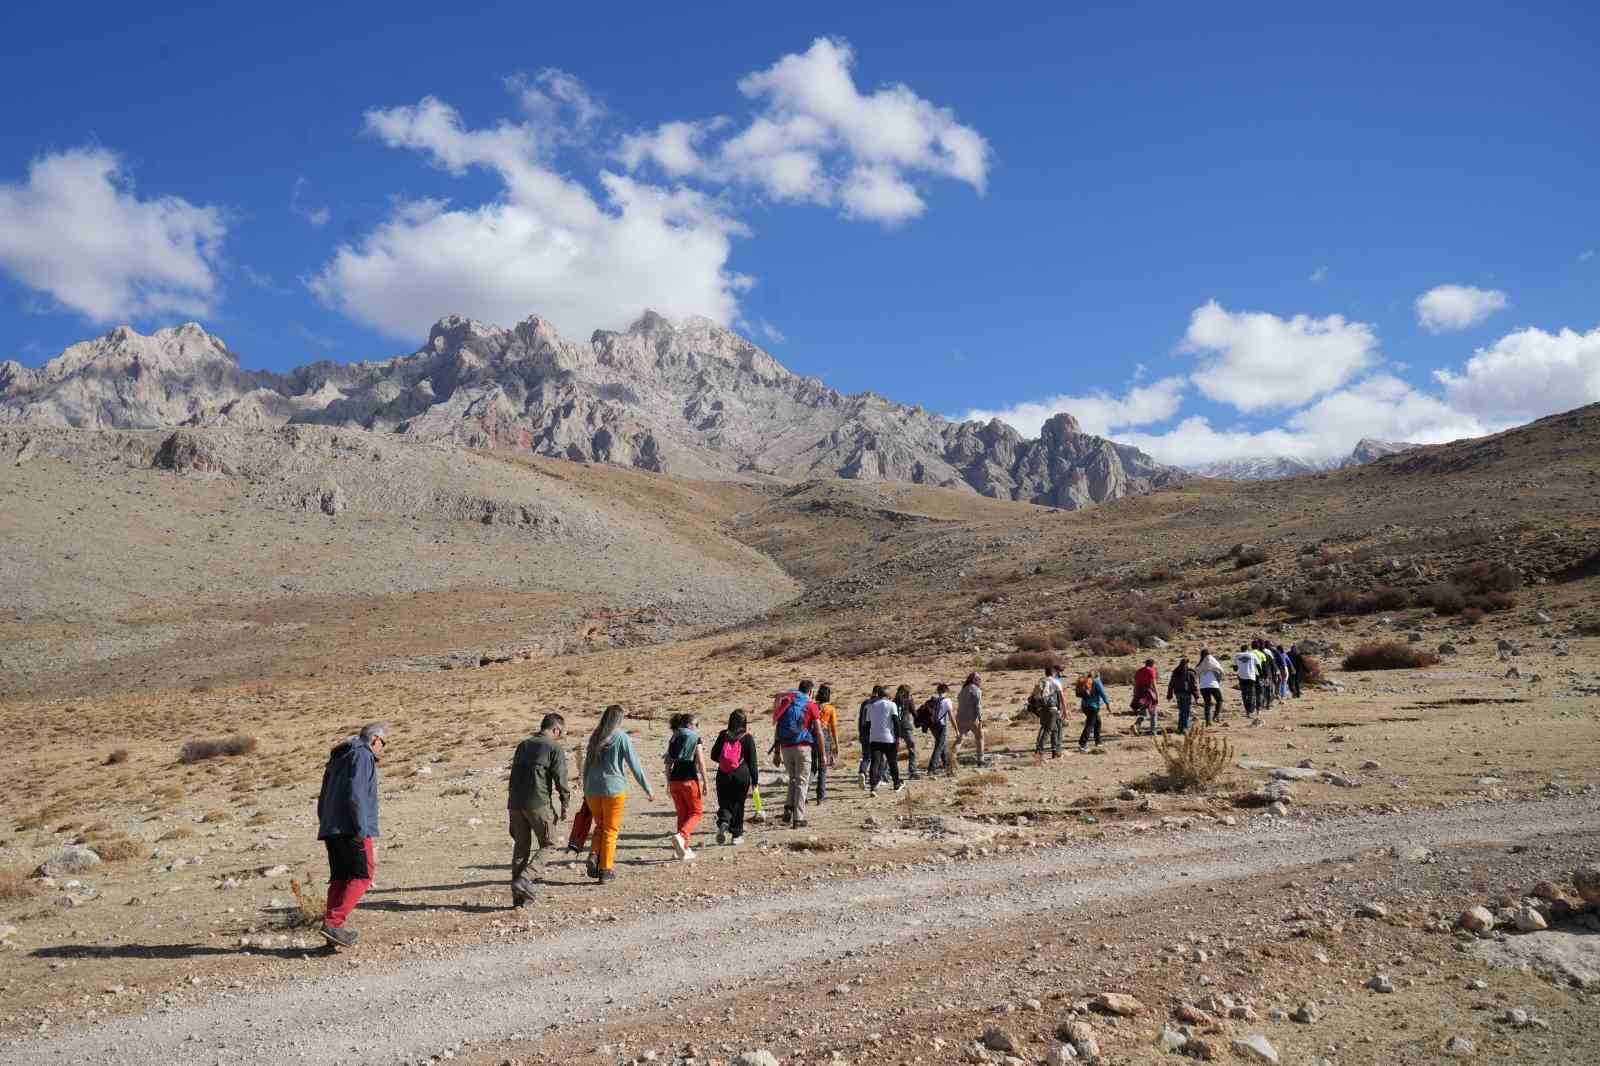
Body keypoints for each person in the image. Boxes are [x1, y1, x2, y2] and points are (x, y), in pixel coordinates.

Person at [316, 721, 390, 948]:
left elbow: (323, 797)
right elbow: (356, 794)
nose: (383, 749)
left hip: (331, 828)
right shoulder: (362, 756)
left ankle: (332, 930)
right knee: (362, 876)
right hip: (352, 828)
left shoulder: (338, 758)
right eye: (384, 743)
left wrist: (326, 823)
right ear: (375, 739)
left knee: (340, 879)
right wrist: (360, 829)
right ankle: (333, 924)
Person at [581, 704, 654, 884]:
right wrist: (648, 789)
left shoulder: (595, 736)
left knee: (600, 825)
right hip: (613, 789)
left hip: (592, 789)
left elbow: (586, 766)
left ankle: (594, 854)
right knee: (611, 830)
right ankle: (606, 869)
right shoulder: (621, 738)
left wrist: (585, 788)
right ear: (619, 719)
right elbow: (634, 765)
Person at [507, 713, 569, 907]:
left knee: (521, 848)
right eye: (561, 733)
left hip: (515, 803)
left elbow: (513, 776)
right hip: (538, 803)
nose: (560, 736)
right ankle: (525, 878)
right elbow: (560, 778)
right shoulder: (553, 747)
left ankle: (519, 898)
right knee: (549, 843)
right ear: (556, 729)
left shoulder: (523, 745)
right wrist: (565, 802)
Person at [771, 680, 824, 828]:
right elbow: (819, 731)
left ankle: (788, 808)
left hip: (785, 747)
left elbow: (778, 727)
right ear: (810, 692)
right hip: (803, 747)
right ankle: (798, 817)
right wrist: (823, 754)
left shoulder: (786, 702)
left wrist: (776, 752)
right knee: (802, 782)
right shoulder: (811, 705)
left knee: (793, 779)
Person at [663, 713, 709, 861]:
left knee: (682, 814)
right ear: (690, 725)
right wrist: (706, 782)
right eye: (696, 725)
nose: (697, 728)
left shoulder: (674, 737)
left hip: (675, 780)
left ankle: (682, 850)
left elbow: (668, 764)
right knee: (696, 812)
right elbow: (701, 762)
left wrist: (669, 782)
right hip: (689, 780)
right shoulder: (695, 738)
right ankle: (682, 836)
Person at [710, 710, 760, 845]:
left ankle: (724, 821)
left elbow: (713, 755)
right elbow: (752, 762)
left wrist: (725, 761)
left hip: (723, 774)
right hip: (741, 775)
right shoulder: (747, 738)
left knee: (724, 802)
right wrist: (755, 780)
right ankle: (736, 835)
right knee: (738, 804)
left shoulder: (723, 735)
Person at [863, 685, 904, 795]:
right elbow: (896, 722)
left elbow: (867, 724)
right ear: (887, 695)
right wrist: (898, 737)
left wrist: (867, 737)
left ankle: (873, 787)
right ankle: (896, 784)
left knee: (875, 763)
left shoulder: (870, 706)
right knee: (892, 762)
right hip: (889, 739)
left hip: (874, 739)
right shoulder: (892, 705)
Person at [811, 684, 839, 804]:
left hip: (811, 736)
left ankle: (804, 793)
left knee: (811, 767)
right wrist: (837, 745)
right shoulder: (830, 709)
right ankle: (820, 797)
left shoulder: (812, 706)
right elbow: (834, 729)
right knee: (823, 767)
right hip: (824, 736)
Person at [953, 672, 985, 767]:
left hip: (960, 718)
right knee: (980, 736)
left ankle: (951, 758)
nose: (980, 680)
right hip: (972, 718)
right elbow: (978, 706)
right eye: (978, 678)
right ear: (973, 679)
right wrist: (981, 719)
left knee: (960, 739)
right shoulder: (976, 690)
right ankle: (981, 760)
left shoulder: (962, 690)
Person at [1034, 665, 1065, 759]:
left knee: (1054, 729)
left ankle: (1055, 752)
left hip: (1042, 708)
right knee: (1048, 729)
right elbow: (1062, 697)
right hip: (1052, 708)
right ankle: (1039, 751)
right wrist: (1065, 710)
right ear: (1054, 672)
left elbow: (1035, 695)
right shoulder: (1055, 681)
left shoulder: (1041, 681)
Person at [1077, 670, 1110, 752]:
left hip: (1085, 706)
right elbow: (1103, 693)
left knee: (1098, 722)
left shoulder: (1087, 681)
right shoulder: (1097, 681)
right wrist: (1107, 704)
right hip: (1093, 707)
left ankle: (1098, 741)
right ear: (1097, 675)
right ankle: (1082, 744)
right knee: (1089, 725)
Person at [926, 683, 955, 775]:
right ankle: (932, 768)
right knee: (939, 746)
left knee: (941, 744)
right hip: (941, 725)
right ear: (946, 691)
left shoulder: (933, 700)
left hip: (932, 726)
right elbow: (951, 716)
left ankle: (946, 765)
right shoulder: (947, 701)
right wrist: (956, 729)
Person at [893, 684, 921, 780]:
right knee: (912, 747)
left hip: (894, 727)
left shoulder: (894, 701)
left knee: (892, 750)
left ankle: (886, 771)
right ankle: (912, 770)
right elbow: (914, 713)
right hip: (905, 727)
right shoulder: (909, 700)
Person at [1167, 658, 1199, 734]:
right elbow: (1194, 685)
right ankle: (1185, 728)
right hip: (1186, 694)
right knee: (1186, 711)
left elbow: (1171, 684)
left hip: (1178, 694)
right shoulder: (1190, 672)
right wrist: (1196, 696)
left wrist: (1169, 695)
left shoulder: (1176, 672)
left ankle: (1180, 728)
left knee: (1181, 711)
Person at [1195, 649, 1226, 725]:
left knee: (1207, 704)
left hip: (1203, 686)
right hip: (1213, 685)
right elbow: (1220, 670)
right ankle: (1216, 716)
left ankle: (1207, 722)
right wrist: (1220, 678)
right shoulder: (1212, 660)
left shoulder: (1200, 664)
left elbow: (1196, 673)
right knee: (1220, 700)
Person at [1133, 659, 1160, 735]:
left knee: (1143, 712)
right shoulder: (1151, 671)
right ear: (1152, 664)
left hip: (1139, 693)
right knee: (1153, 712)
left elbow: (1135, 685)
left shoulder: (1138, 671)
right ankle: (1153, 731)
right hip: (1148, 693)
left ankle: (1136, 725)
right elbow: (1154, 684)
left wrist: (1135, 695)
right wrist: (1157, 695)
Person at [1233, 644, 1259, 721]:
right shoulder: (1252, 655)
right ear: (1248, 649)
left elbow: (1235, 668)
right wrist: (1260, 674)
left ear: (1241, 649)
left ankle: (1247, 710)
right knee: (1251, 694)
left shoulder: (1237, 656)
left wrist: (1241, 667)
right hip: (1251, 677)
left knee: (1244, 694)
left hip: (1241, 677)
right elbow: (1257, 665)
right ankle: (1250, 710)